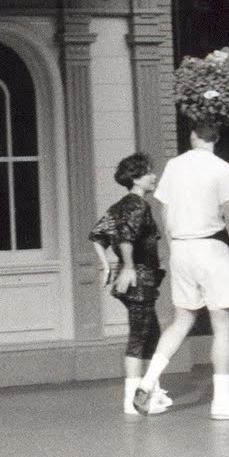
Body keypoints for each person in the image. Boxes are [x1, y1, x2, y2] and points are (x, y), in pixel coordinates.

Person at [133, 118, 229, 420]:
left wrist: (171, 247)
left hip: (181, 249)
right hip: (211, 248)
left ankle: (147, 384)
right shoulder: (223, 169)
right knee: (222, 325)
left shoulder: (174, 166)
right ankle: (223, 401)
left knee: (182, 320)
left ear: (192, 137)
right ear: (216, 139)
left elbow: (162, 209)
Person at [89, 152, 171, 416]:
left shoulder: (120, 205)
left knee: (154, 335)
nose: (154, 176)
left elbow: (98, 235)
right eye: (148, 172)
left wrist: (105, 266)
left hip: (134, 279)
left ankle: (151, 391)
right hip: (139, 279)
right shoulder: (138, 205)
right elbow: (126, 237)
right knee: (139, 337)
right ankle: (132, 400)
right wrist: (127, 265)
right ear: (136, 178)